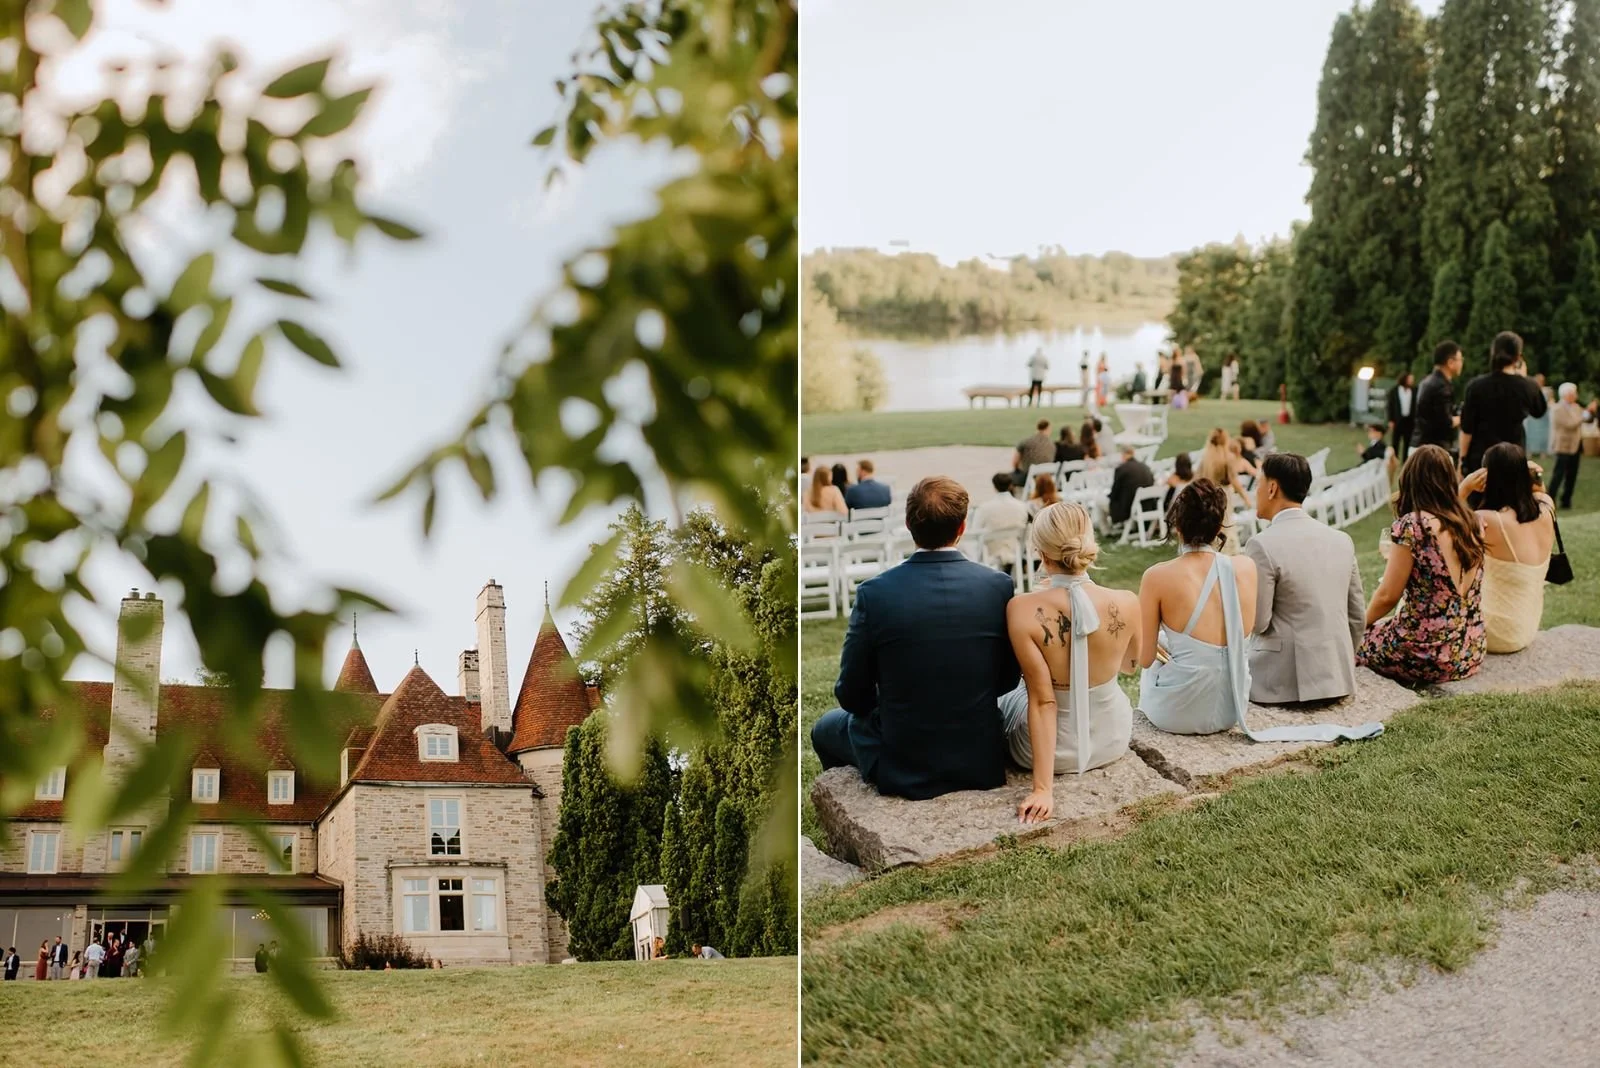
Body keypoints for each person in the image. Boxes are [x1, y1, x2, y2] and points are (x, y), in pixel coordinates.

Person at [811, 476, 1020, 799]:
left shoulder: (874, 594)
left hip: (905, 765)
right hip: (980, 758)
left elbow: (852, 696)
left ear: (908, 525)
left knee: (824, 728)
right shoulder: (998, 586)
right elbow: (1006, 679)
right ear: (962, 527)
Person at [1138, 481, 1381, 742]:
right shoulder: (1245, 568)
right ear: (1219, 527)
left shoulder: (1156, 576)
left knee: (1155, 663)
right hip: (1231, 709)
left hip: (1175, 715)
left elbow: (1145, 658)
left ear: (1177, 525)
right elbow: (1247, 630)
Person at [1000, 503, 1141, 823]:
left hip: (1045, 752)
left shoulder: (1021, 609)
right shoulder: (1127, 601)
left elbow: (1044, 701)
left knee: (1007, 695)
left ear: (1040, 552)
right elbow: (1130, 666)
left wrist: (1043, 789)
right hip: (1113, 738)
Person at [1243, 453, 1366, 705]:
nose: (1255, 492)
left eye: (1258, 484)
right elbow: (1357, 617)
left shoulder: (1261, 545)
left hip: (1282, 685)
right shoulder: (1342, 540)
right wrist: (1339, 665)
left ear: (1272, 488)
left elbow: (1259, 623)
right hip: (1337, 679)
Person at [1359, 445, 1487, 685]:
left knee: (1355, 642)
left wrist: (1359, 625)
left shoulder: (1413, 526)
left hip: (1425, 653)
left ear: (1410, 479)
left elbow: (1387, 596)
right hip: (1469, 649)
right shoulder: (1475, 521)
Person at [1462, 443, 1554, 654]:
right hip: (1525, 629)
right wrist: (1534, 474)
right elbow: (1539, 490)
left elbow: (1439, 526)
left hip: (1494, 633)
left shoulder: (1487, 520)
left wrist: (1465, 487)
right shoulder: (1546, 506)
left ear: (1488, 478)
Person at [1459, 331, 1547, 473]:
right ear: (1518, 357)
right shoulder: (1528, 386)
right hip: (1514, 459)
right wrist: (1523, 378)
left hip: (1481, 460)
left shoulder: (1476, 386)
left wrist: (1462, 461)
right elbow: (1539, 411)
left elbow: (1467, 428)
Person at [971, 472, 1030, 573]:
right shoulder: (1022, 506)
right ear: (1010, 486)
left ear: (994, 487)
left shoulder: (985, 508)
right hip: (1015, 549)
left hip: (991, 551)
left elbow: (975, 531)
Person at [1412, 341, 1464, 455]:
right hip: (1433, 451)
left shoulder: (1426, 381)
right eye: (1460, 359)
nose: (1462, 363)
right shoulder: (1441, 386)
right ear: (1450, 362)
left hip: (1420, 445)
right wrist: (1464, 417)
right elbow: (1446, 422)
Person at [1549, 382, 1585, 509]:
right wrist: (1584, 415)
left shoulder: (1576, 407)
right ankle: (1550, 498)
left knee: (1572, 475)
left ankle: (1566, 500)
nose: (1575, 396)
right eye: (1573, 393)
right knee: (1558, 474)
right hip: (1562, 446)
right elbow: (1570, 424)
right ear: (1565, 395)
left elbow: (1585, 419)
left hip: (1575, 445)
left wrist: (1589, 413)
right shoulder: (1557, 409)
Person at [1107, 443, 1155, 527]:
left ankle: (1106, 531)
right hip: (1147, 506)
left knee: (1099, 503)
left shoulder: (1122, 469)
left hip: (1128, 508)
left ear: (1123, 454)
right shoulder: (1145, 467)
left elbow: (1114, 492)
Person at [1012, 418, 1056, 488]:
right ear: (1048, 428)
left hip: (1028, 477)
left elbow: (1015, 462)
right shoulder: (1052, 445)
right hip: (1047, 477)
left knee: (1006, 479)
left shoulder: (1026, 442)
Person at [1387, 370, 1416, 465]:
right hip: (1397, 420)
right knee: (1395, 441)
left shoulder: (1414, 391)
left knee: (1408, 441)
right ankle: (1394, 461)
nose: (1411, 381)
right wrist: (1390, 420)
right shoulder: (1394, 391)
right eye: (1410, 379)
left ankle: (1405, 462)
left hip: (1409, 420)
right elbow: (1390, 406)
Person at [1523, 373, 1555, 459]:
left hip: (1544, 416)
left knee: (1544, 434)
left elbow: (1551, 402)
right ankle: (1530, 451)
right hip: (1532, 416)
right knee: (1531, 433)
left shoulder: (1547, 391)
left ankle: (1543, 452)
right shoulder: (1530, 390)